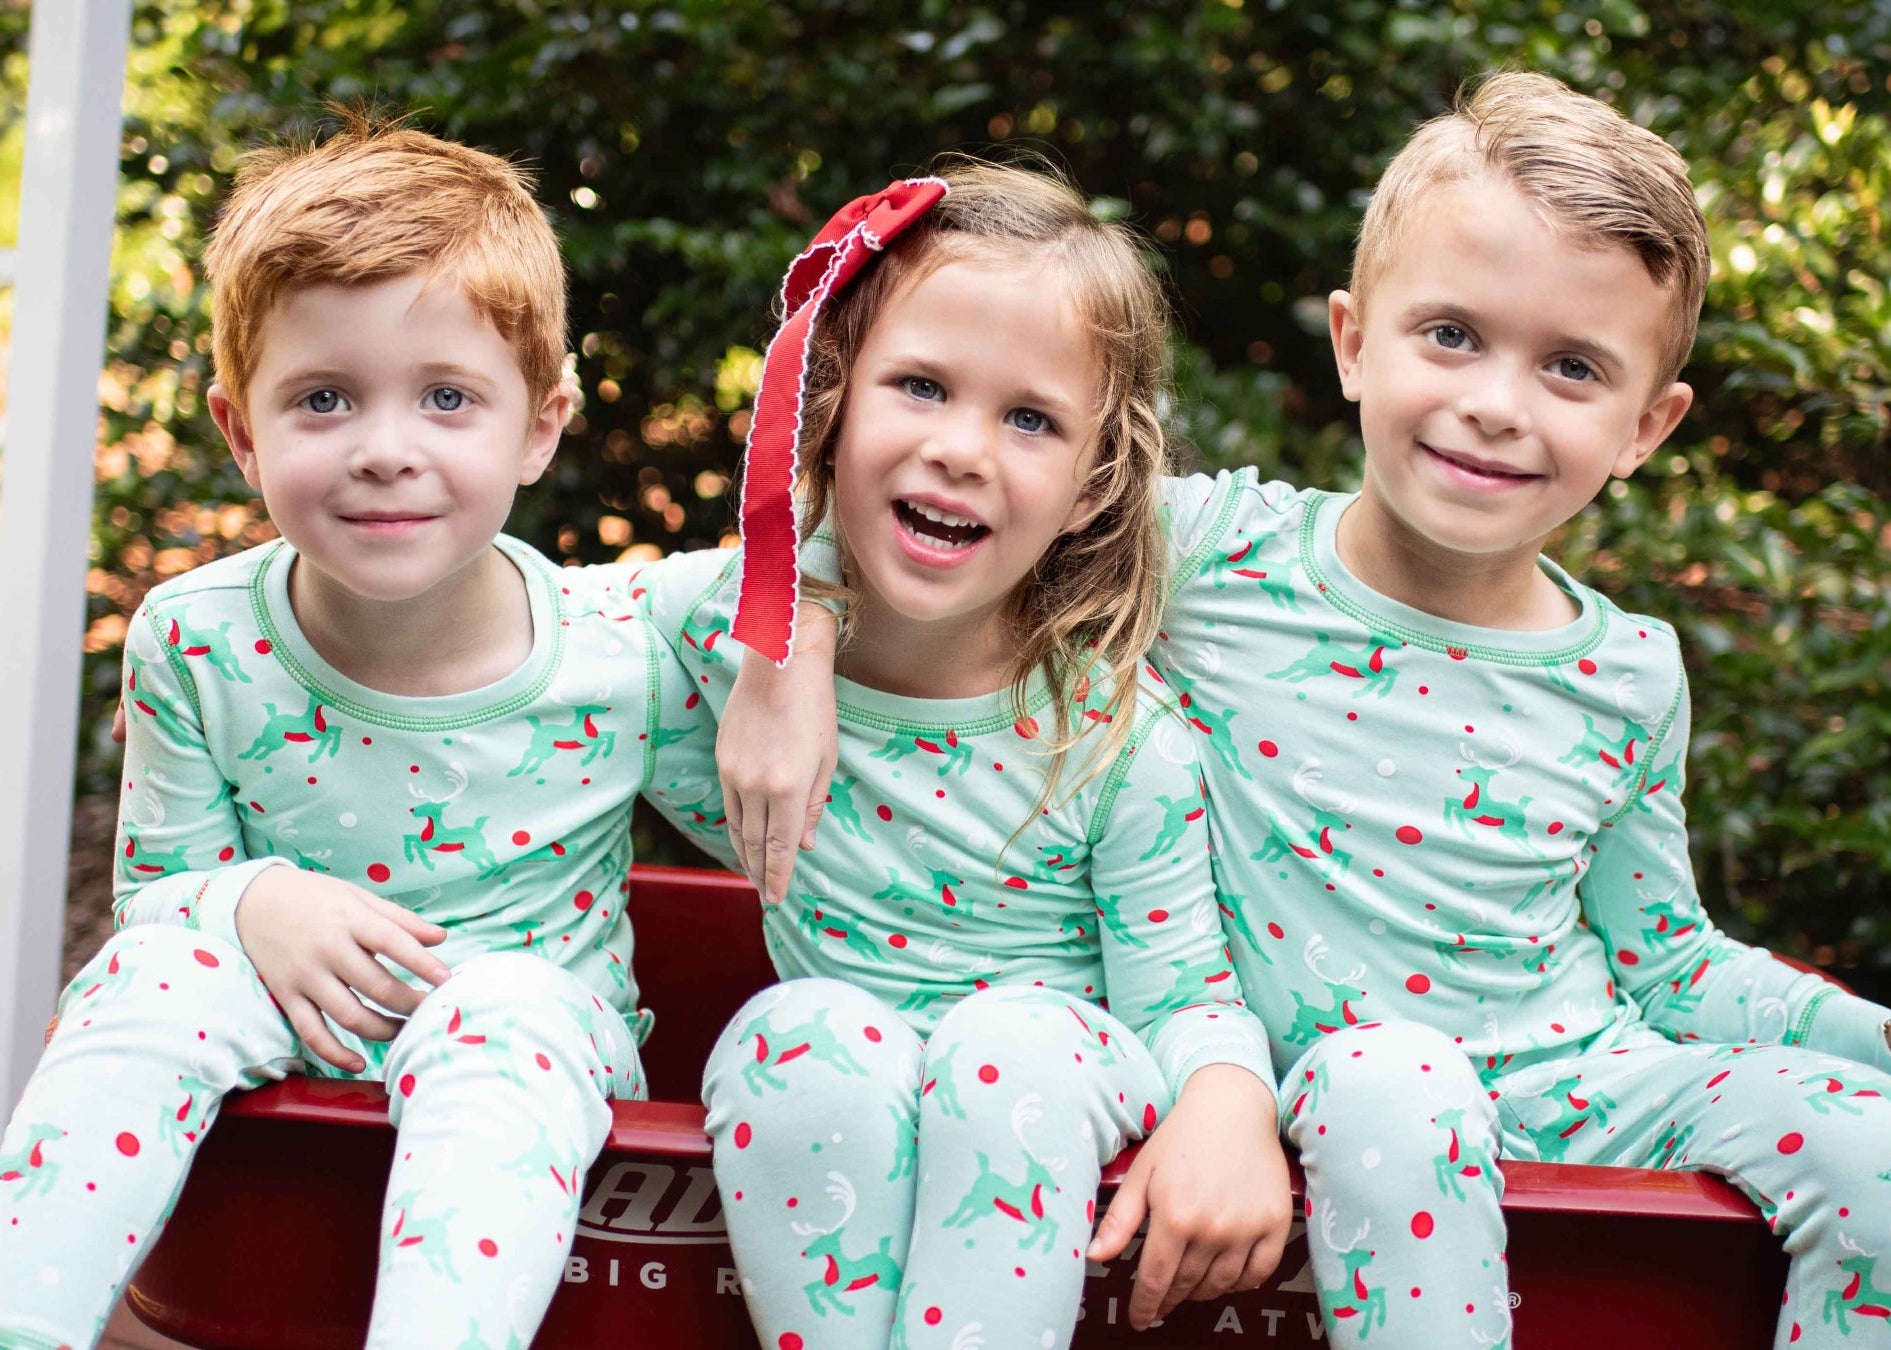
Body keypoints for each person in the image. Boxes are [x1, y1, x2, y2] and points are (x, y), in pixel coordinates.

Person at [729, 74, 1891, 1349]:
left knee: (1873, 1151)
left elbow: (1665, 958)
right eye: (1450, 335)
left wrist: (1867, 1038)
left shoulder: (1627, 673)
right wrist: (791, 650)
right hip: (1315, 1093)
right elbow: (941, 536)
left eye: (1570, 367)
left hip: (1571, 1083)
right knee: (1395, 1086)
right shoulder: (1202, 550)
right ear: (1351, 341)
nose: (1496, 401)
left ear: (1646, 425)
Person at [0, 111, 722, 1350]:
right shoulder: (198, 637)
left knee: (503, 1004)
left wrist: (783, 707)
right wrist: (247, 903)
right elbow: (158, 894)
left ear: (540, 426)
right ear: (241, 432)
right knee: (146, 970)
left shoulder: (617, 651)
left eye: (448, 398)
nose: (387, 451)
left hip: (527, 1070)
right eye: (324, 399)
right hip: (280, 1052)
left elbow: (796, 847)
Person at [635, 159, 1291, 1350]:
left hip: (1057, 1065)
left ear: (1094, 484)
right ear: (827, 404)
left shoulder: (1113, 741)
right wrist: (793, 641)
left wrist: (1229, 1100)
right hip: (846, 1071)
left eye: (1028, 417)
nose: (961, 449)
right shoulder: (720, 631)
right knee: (798, 1034)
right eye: (921, 386)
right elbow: (502, 658)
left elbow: (1182, 995)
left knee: (1002, 1046)